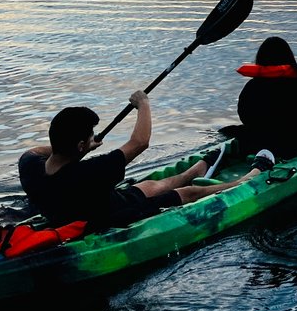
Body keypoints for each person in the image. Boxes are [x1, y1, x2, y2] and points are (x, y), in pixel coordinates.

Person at [19, 91, 260, 232]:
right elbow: (140, 142)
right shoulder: (89, 172)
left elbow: (44, 150)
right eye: (90, 137)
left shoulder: (30, 167)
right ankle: (244, 181)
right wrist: (143, 104)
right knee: (188, 192)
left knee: (153, 186)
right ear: (80, 145)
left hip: (94, 203)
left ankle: (198, 167)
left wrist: (81, 149)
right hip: (111, 215)